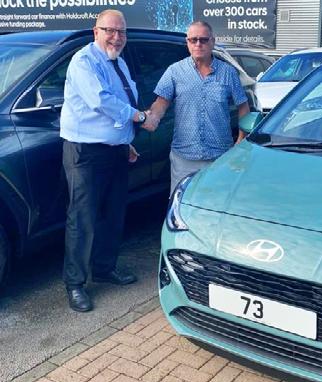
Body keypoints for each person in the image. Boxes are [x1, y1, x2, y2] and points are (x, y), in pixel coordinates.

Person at [60, 9, 152, 312]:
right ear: (95, 31)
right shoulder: (84, 62)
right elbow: (101, 101)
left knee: (113, 214)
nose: (116, 37)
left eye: (121, 31)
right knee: (82, 218)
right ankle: (75, 284)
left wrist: (125, 141)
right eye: (110, 30)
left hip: (115, 150)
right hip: (85, 152)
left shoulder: (118, 62)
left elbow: (119, 105)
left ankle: (104, 268)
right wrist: (140, 117)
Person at [143, 20, 250, 192]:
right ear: (187, 42)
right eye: (193, 40)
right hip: (184, 160)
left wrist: (241, 139)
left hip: (219, 158)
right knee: (182, 203)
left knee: (215, 204)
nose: (198, 44)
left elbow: (243, 106)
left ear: (212, 41)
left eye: (203, 40)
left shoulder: (228, 73)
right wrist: (153, 116)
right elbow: (161, 102)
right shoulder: (174, 71)